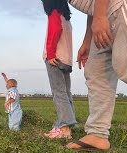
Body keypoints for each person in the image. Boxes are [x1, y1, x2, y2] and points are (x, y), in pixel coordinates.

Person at [67, 0, 127, 151]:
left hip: (122, 6)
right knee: (96, 71)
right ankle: (97, 134)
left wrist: (99, 17)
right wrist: (88, 38)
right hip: (104, 10)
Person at [41, 0, 77, 139]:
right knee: (66, 93)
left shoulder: (54, 14)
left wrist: (50, 54)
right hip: (66, 60)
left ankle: (64, 128)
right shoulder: (66, 19)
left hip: (55, 59)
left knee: (58, 93)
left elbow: (55, 30)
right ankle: (66, 125)